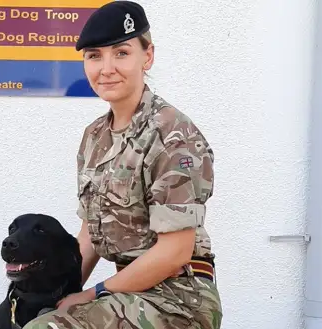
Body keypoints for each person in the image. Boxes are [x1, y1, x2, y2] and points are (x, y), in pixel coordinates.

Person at [22, 1, 222, 329]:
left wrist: (92, 294)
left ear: (148, 56)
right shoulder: (95, 136)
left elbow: (175, 252)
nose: (107, 68)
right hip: (126, 294)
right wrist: (63, 295)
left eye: (121, 53)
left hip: (179, 297)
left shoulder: (173, 134)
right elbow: (90, 235)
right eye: (94, 56)